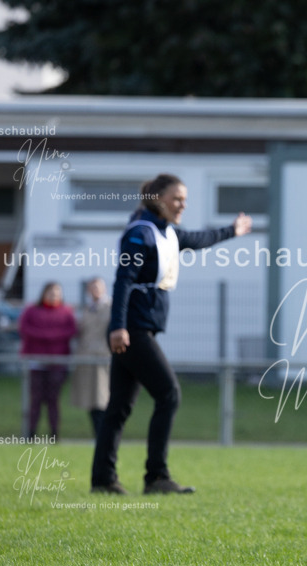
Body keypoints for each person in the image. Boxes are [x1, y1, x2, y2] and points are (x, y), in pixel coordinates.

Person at [90, 173, 252, 494]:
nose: (182, 205)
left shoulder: (167, 233)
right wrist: (118, 327)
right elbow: (123, 280)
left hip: (141, 327)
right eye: (177, 199)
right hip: (133, 330)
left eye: (185, 200)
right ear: (157, 198)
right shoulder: (140, 233)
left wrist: (232, 230)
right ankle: (156, 477)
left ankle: (103, 480)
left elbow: (199, 238)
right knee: (169, 394)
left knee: (119, 407)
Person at [19, 281, 77, 440]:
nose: (53, 296)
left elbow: (71, 331)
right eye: (50, 293)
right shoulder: (32, 311)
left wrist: (45, 335)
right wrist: (50, 336)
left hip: (57, 363)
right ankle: (30, 433)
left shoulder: (66, 312)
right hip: (36, 362)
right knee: (35, 399)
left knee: (53, 400)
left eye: (57, 293)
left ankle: (54, 433)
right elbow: (25, 329)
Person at [71, 277, 112, 438]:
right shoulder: (87, 309)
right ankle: (98, 435)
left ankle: (104, 436)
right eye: (92, 287)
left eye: (98, 286)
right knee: (91, 401)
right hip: (87, 360)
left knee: (103, 400)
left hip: (103, 360)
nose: (95, 290)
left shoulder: (111, 307)